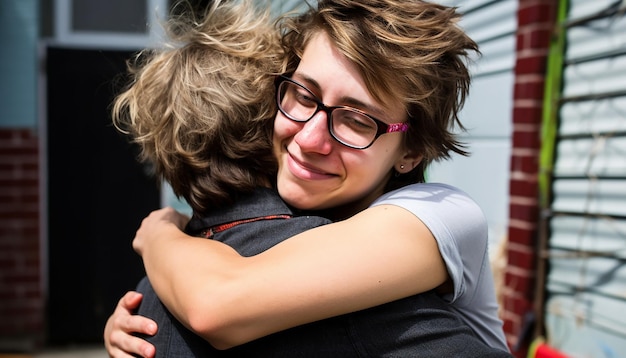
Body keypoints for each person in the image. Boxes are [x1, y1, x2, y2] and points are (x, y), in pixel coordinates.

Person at [105, 0, 511, 356]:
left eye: (355, 120)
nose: (309, 137)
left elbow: (217, 303)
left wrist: (158, 234)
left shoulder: (438, 215)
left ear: (411, 153)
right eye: (303, 95)